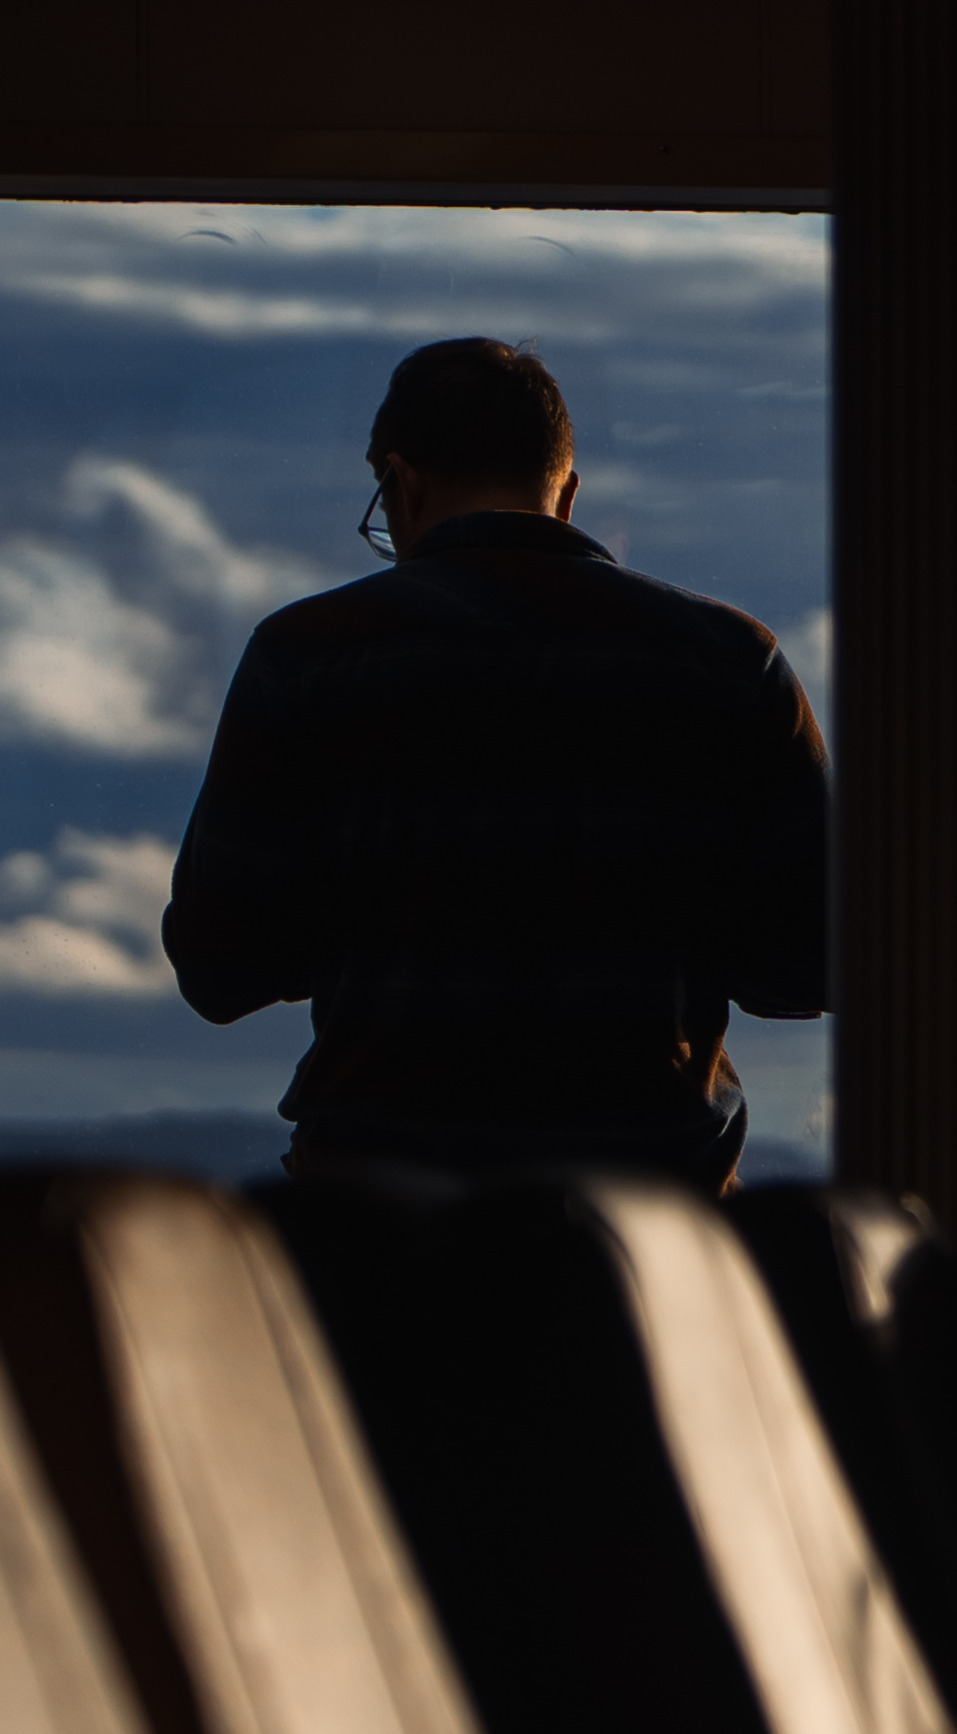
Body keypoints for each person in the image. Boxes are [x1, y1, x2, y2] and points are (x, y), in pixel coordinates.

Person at [164, 336, 830, 1189]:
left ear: (400, 483)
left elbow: (218, 967)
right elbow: (814, 961)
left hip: (375, 1220)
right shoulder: (731, 662)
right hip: (654, 1223)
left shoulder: (305, 657)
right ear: (568, 493)